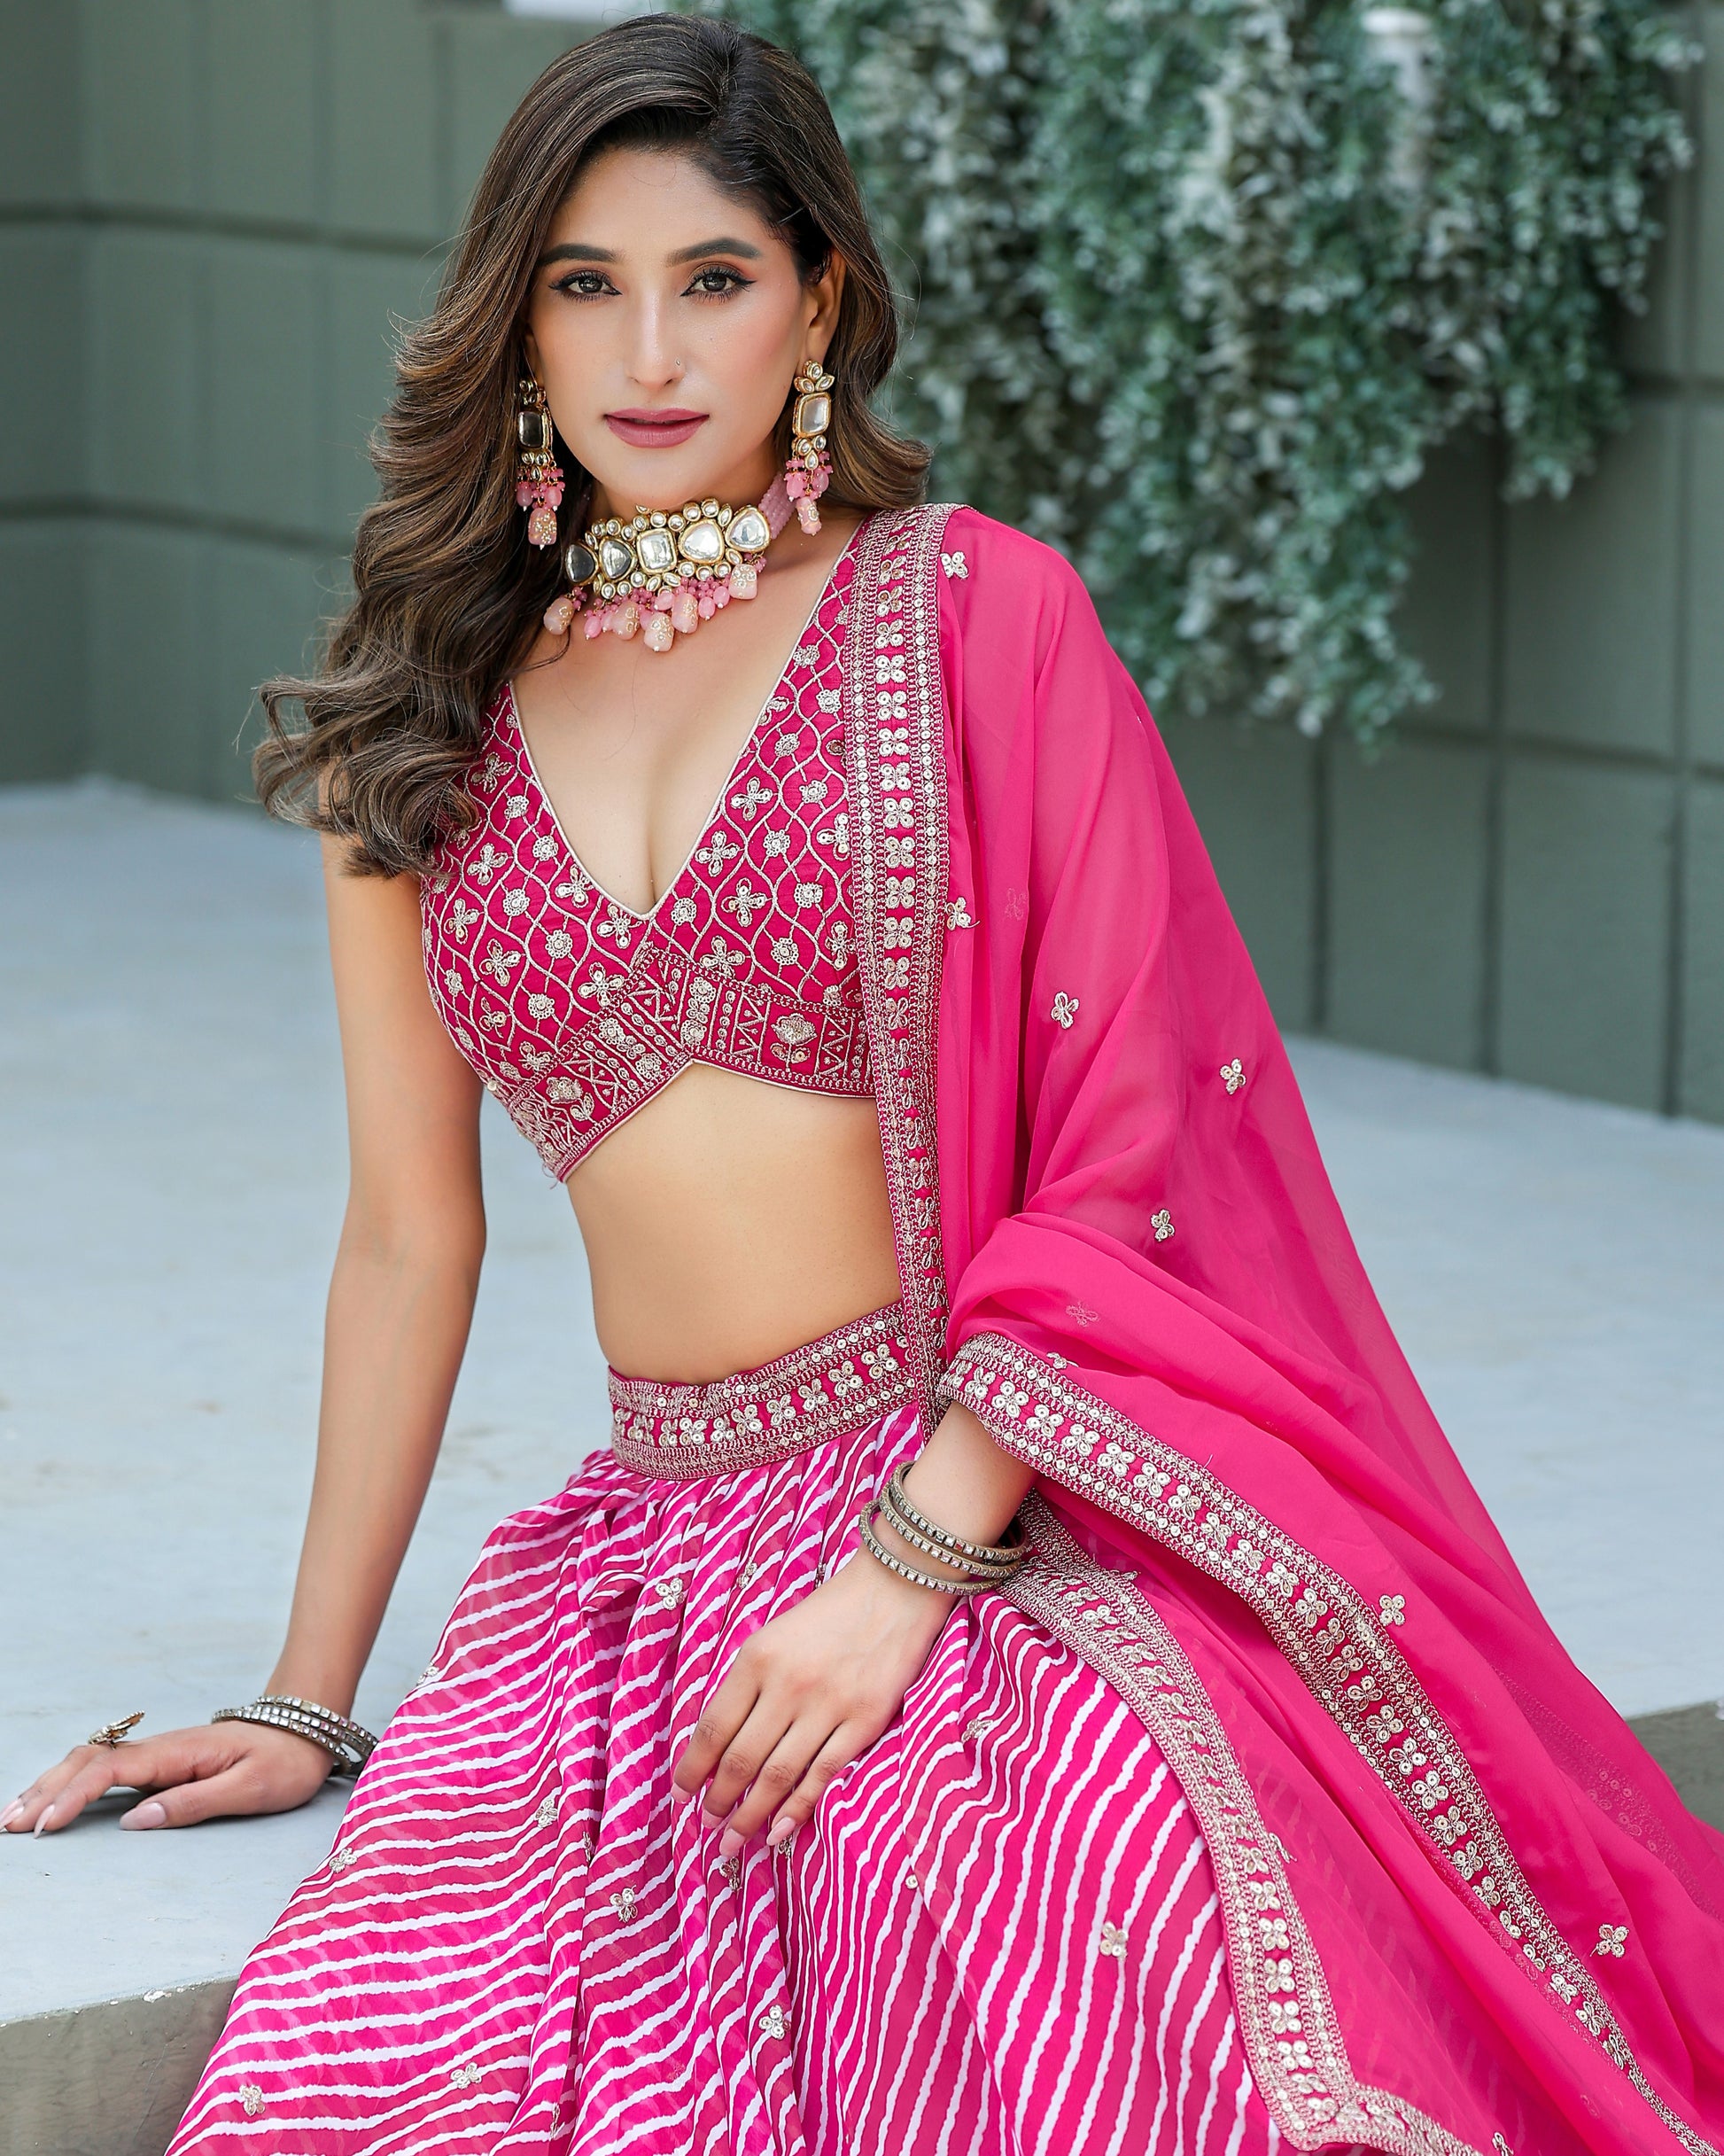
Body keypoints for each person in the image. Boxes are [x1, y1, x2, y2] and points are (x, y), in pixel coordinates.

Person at [6, 17, 1720, 2154]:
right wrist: (303, 1690)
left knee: (1063, 1921)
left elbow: (1129, 1166)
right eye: (583, 279)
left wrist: (904, 1566)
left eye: (712, 277)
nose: (648, 346)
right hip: (635, 1575)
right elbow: (405, 1233)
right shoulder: (421, 721)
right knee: (396, 2066)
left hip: (989, 1491)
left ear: (815, 300)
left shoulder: (977, 618)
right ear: (513, 318)